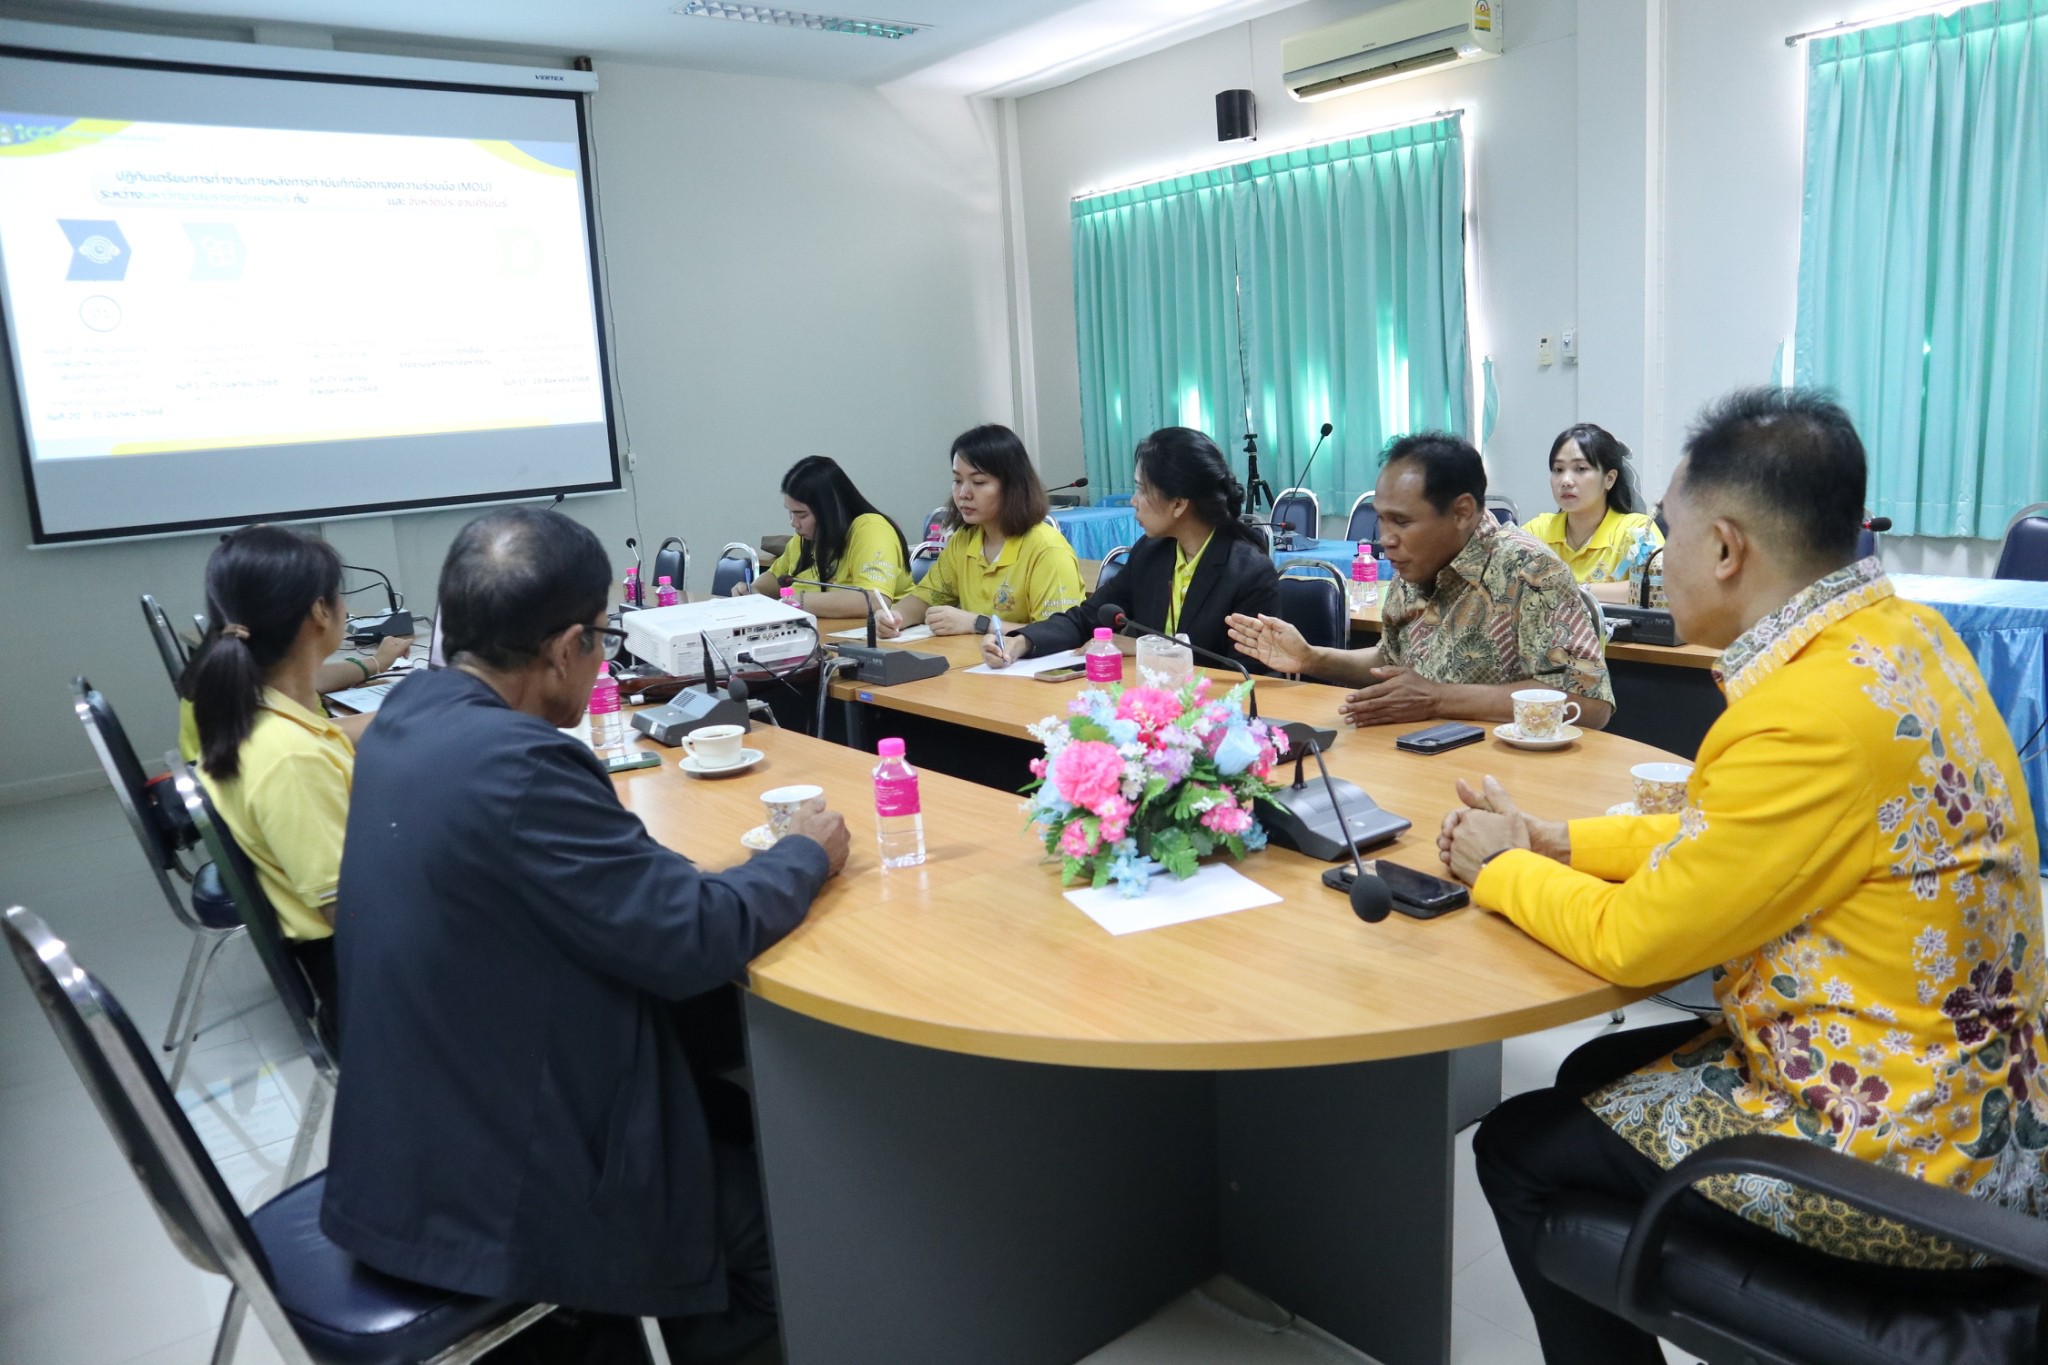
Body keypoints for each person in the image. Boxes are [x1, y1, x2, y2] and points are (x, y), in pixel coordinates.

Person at [1439, 389, 2046, 1364]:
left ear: (1724, 548)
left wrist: (1498, 866)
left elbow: (1635, 939)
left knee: (1517, 1149)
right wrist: (1552, 840)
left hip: (1899, 1155)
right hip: (1986, 1102)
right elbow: (1729, 836)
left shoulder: (1803, 717)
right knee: (1590, 1074)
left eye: (1666, 533)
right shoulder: (1904, 640)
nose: (1659, 556)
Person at [321, 507, 851, 1363]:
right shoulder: (522, 764)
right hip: (503, 1188)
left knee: (724, 1095)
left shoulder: (409, 716)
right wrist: (803, 855)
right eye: (603, 637)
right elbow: (691, 937)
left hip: (414, 1139)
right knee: (789, 1224)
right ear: (567, 647)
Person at [1225, 431, 1613, 729]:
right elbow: (1392, 659)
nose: (1386, 539)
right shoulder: (1415, 564)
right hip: (1419, 755)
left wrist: (1438, 699)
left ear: (1462, 512)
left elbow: (1589, 704)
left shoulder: (1530, 570)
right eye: (1381, 519)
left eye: (1402, 521)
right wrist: (1312, 658)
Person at [181, 524, 359, 1007]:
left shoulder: (253, 711)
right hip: (365, 981)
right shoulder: (290, 756)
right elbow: (354, 915)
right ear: (320, 611)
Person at [984, 426, 1279, 670]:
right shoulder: (1152, 552)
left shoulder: (1248, 572)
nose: (1133, 501)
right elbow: (1087, 617)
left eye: (1141, 489)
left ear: (1178, 504)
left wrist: (1144, 648)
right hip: (1146, 702)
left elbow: (1243, 671)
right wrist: (1021, 641)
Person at [883, 423, 1084, 637]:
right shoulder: (964, 540)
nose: (963, 493)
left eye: (978, 482)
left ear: (1012, 486)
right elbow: (926, 598)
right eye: (957, 480)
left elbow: (1058, 633)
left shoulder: (1047, 550)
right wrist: (894, 617)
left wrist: (978, 623)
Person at [738, 455, 913, 618]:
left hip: (875, 633)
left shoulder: (872, 529)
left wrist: (799, 601)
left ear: (829, 510)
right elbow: (778, 577)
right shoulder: (805, 539)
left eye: (801, 515)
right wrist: (753, 591)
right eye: (790, 513)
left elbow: (874, 600)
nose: (793, 523)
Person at [1521, 422, 1663, 604]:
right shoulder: (1538, 529)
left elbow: (1659, 588)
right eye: (1558, 469)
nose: (1565, 481)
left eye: (1580, 469)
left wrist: (1577, 589)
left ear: (1609, 479)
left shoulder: (1637, 530)